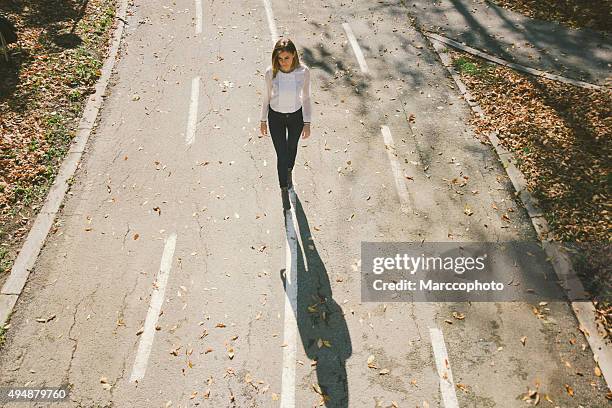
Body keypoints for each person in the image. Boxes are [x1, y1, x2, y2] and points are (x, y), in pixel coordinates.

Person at [260, 37, 312, 211]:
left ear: (294, 55)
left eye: (286, 58)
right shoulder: (270, 72)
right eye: (280, 58)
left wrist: (307, 122)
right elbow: (266, 97)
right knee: (281, 154)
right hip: (276, 118)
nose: (283, 62)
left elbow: (306, 97)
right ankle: (283, 186)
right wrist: (263, 120)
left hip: (296, 117)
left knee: (292, 148)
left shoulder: (303, 72)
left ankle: (289, 169)